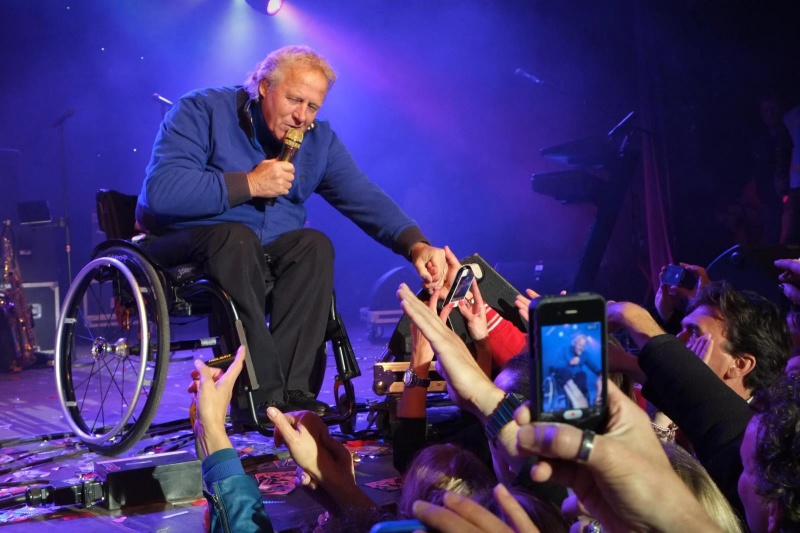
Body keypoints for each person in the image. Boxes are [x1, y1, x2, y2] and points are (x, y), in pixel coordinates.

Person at [137, 45, 446, 419]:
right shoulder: (202, 110)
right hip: (190, 245)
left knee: (313, 245)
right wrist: (250, 183)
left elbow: (363, 196)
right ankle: (259, 394)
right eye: (294, 99)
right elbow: (162, 193)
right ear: (265, 86)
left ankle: (293, 393)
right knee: (234, 238)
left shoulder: (318, 141)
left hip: (258, 254)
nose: (302, 116)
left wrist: (415, 245)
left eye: (313, 106)